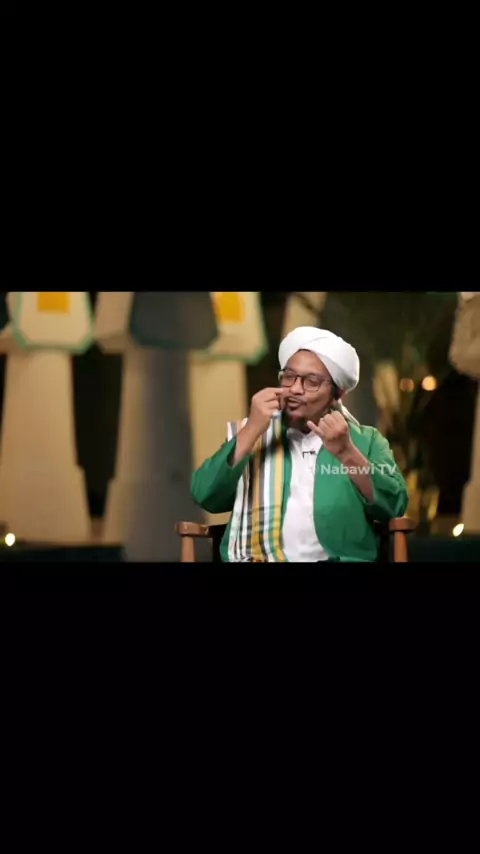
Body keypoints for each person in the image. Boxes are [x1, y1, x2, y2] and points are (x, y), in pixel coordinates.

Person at [191, 327, 409, 562]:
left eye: (311, 381)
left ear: (338, 394)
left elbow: (393, 506)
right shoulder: (253, 433)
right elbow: (205, 496)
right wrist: (252, 429)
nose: (295, 389)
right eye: (289, 377)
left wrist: (347, 453)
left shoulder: (366, 440)